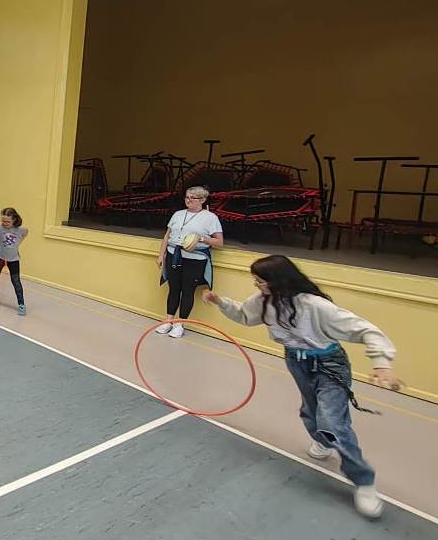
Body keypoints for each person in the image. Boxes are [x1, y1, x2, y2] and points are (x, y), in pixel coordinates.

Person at [203, 254, 405, 518]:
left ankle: (364, 481)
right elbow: (244, 315)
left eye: (260, 281)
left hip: (329, 365)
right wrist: (220, 301)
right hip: (296, 362)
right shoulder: (264, 301)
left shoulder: (315, 305)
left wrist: (382, 364)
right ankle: (323, 442)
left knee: (333, 422)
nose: (256, 285)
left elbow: (366, 329)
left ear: (278, 280)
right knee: (310, 412)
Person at [155, 185, 224, 338]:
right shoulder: (178, 214)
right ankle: (168, 321)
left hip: (195, 259)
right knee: (173, 289)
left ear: (203, 200)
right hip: (174, 255)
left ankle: (180, 324)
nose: (189, 200)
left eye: (193, 198)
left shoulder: (210, 218)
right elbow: (167, 236)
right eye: (187, 197)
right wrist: (161, 255)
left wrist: (201, 239)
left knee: (187, 291)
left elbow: (219, 242)